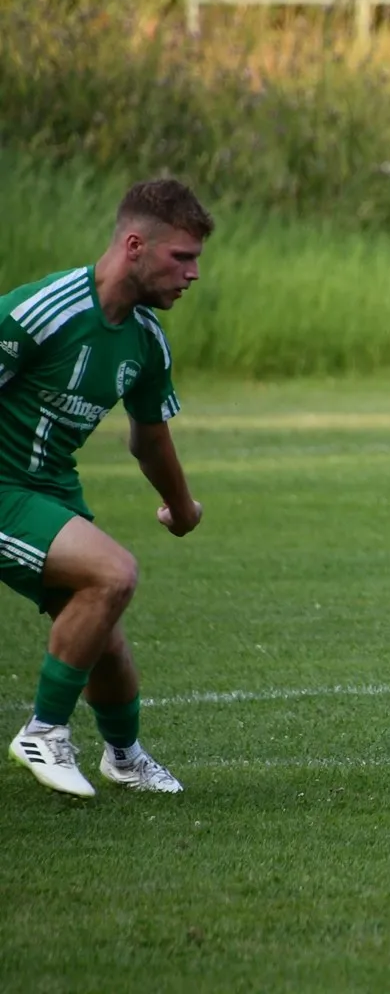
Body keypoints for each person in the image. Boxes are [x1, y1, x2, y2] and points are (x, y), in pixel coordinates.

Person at [4, 179, 212, 798]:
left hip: (51, 490)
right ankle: (44, 732)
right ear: (134, 246)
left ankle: (124, 757)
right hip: (5, 487)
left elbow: (150, 439)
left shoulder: (145, 340)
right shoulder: (41, 311)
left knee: (106, 644)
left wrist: (182, 508)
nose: (193, 273)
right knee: (114, 573)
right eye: (182, 256)